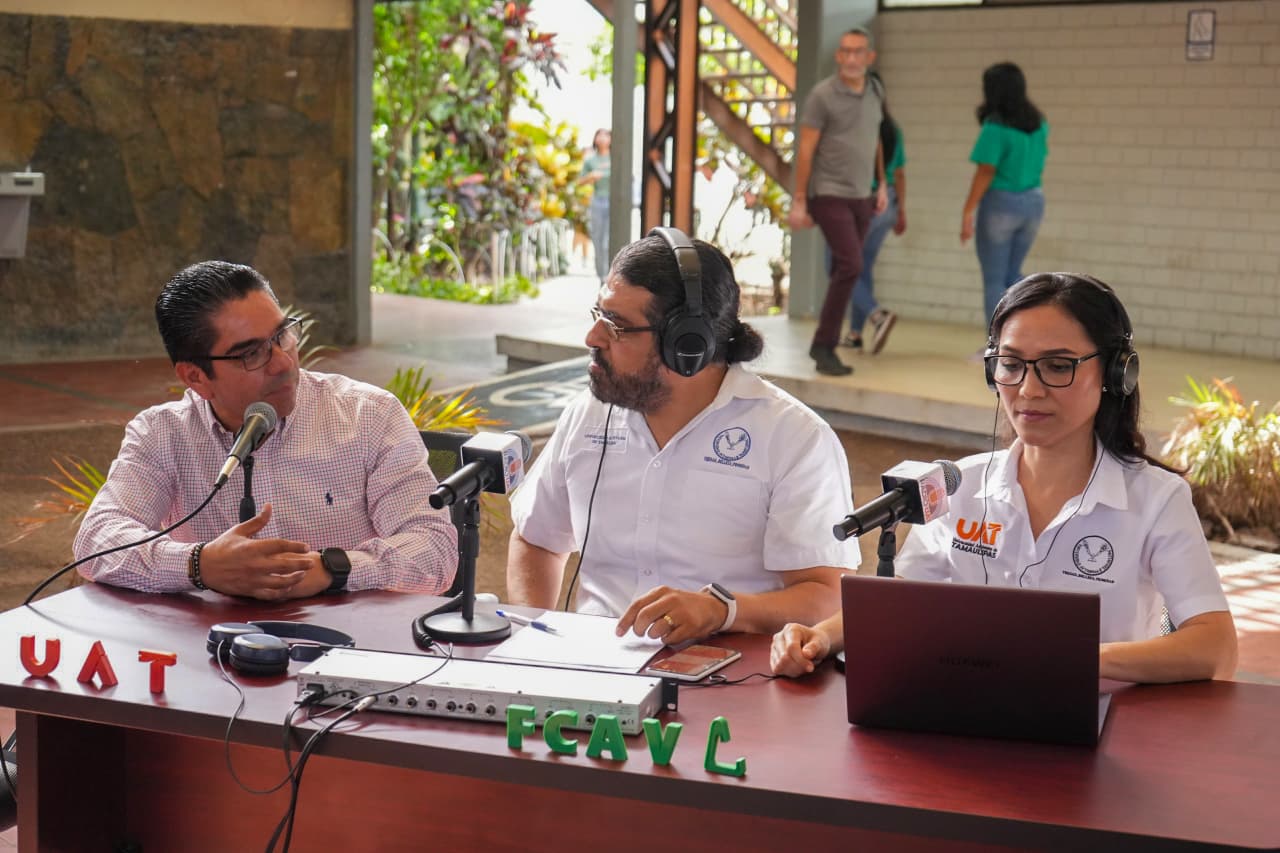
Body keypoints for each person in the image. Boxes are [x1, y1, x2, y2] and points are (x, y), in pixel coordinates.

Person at [771, 272, 1238, 684]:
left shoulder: (1156, 500)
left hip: (1102, 728)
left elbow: (1215, 648)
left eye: (1058, 366)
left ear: (1116, 374)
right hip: (960, 713)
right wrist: (818, 637)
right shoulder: (959, 485)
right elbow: (900, 603)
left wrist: (1075, 662)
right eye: (1011, 365)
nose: (1029, 390)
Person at [507, 230, 857, 646]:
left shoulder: (792, 436)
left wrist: (723, 611)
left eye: (617, 326)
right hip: (594, 666)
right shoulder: (588, 414)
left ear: (687, 345)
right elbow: (537, 541)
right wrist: (535, 642)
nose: (593, 338)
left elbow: (827, 595)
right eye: (598, 315)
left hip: (731, 674)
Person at [74, 261, 459, 600]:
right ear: (195, 377)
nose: (282, 363)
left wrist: (332, 570)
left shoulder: (368, 416)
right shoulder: (163, 433)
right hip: (212, 643)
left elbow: (435, 551)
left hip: (351, 643)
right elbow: (97, 540)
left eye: (282, 336)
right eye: (251, 354)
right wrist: (199, 564)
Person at [788, 27, 889, 377]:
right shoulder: (822, 95)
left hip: (862, 194)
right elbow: (806, 149)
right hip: (828, 193)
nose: (851, 58)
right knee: (850, 264)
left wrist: (882, 184)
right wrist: (800, 199)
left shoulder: (875, 90)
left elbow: (875, 138)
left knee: (845, 270)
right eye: (845, 51)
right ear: (838, 56)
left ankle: (829, 341)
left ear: (869, 57)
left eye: (858, 51)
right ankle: (823, 345)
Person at [961, 62, 1049, 329]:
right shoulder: (1039, 124)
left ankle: (997, 344)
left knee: (995, 280)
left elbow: (986, 171)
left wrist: (968, 210)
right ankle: (1031, 328)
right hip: (1034, 202)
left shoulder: (995, 126)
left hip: (1001, 203)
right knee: (1013, 275)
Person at [840, 80, 904, 355]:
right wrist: (901, 211)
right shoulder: (892, 129)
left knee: (838, 265)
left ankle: (877, 316)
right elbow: (899, 173)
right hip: (887, 203)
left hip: (861, 203)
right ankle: (855, 334)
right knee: (862, 268)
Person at [580, 128, 613, 284]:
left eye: (606, 135)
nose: (602, 138)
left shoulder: (616, 157)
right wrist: (591, 177)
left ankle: (611, 275)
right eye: (599, 135)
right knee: (598, 240)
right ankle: (602, 276)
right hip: (597, 201)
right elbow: (580, 181)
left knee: (608, 241)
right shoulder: (590, 160)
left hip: (613, 201)